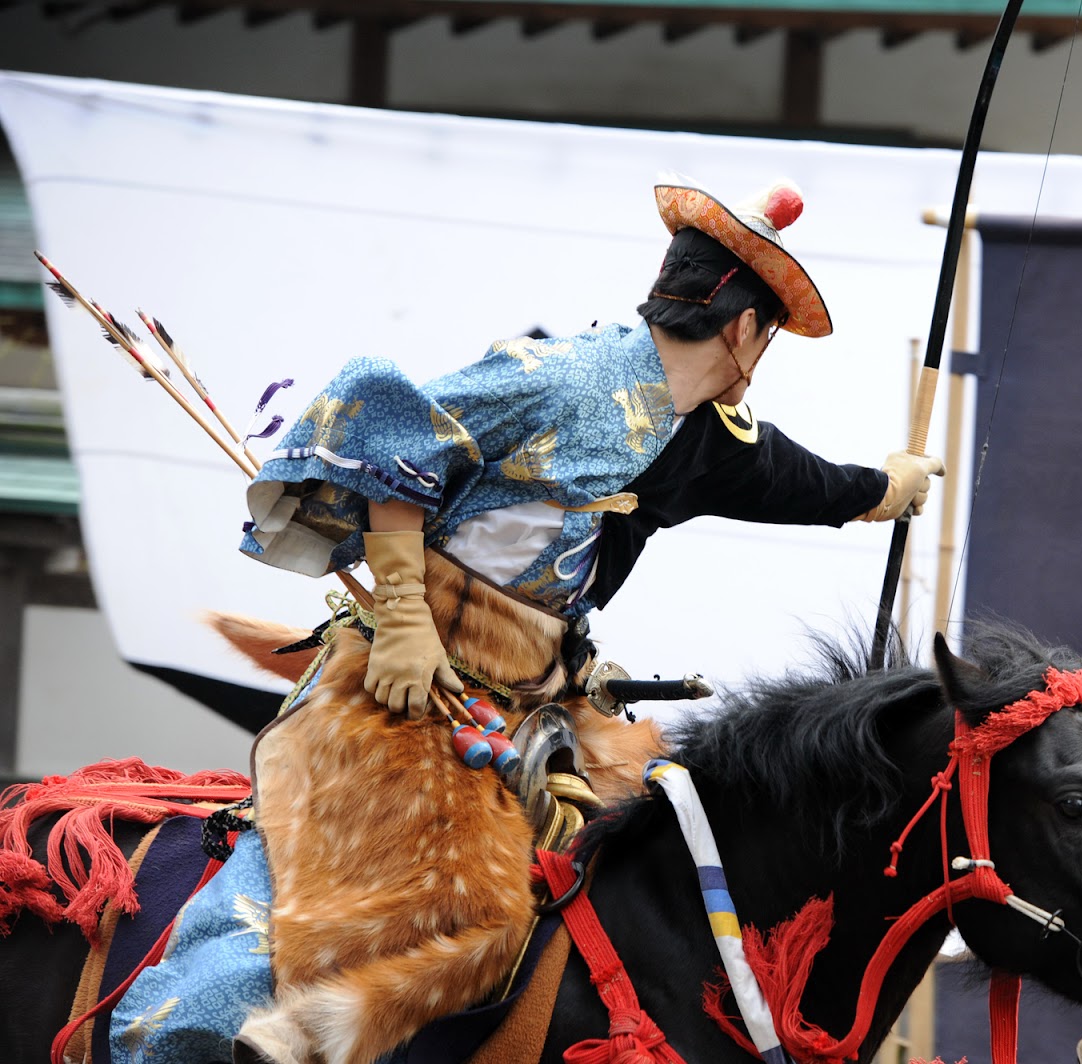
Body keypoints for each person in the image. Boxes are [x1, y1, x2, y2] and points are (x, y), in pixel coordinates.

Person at [115, 175, 944, 1064]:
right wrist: (399, 615)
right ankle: (241, 1029)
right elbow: (388, 420)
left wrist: (885, 488)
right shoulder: (555, 375)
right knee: (470, 913)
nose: (762, 358)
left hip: (543, 707)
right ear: (745, 329)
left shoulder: (706, 437)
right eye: (768, 336)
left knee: (642, 864)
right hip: (405, 682)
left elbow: (799, 480)